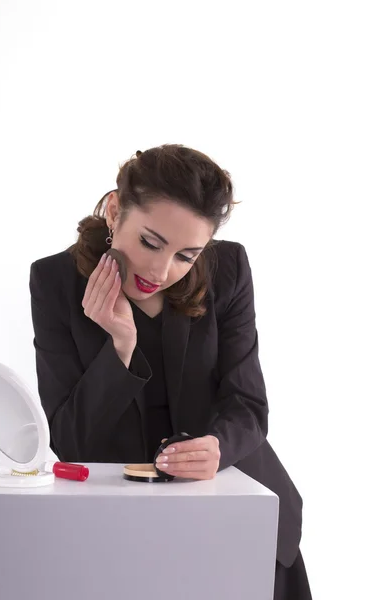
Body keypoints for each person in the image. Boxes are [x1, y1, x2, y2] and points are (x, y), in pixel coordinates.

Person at [29, 144, 312, 599]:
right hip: (125, 531)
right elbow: (72, 442)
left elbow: (248, 404)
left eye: (187, 255)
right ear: (115, 210)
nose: (161, 271)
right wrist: (120, 346)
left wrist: (217, 447)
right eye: (150, 242)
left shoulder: (229, 270)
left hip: (238, 517)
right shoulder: (55, 282)